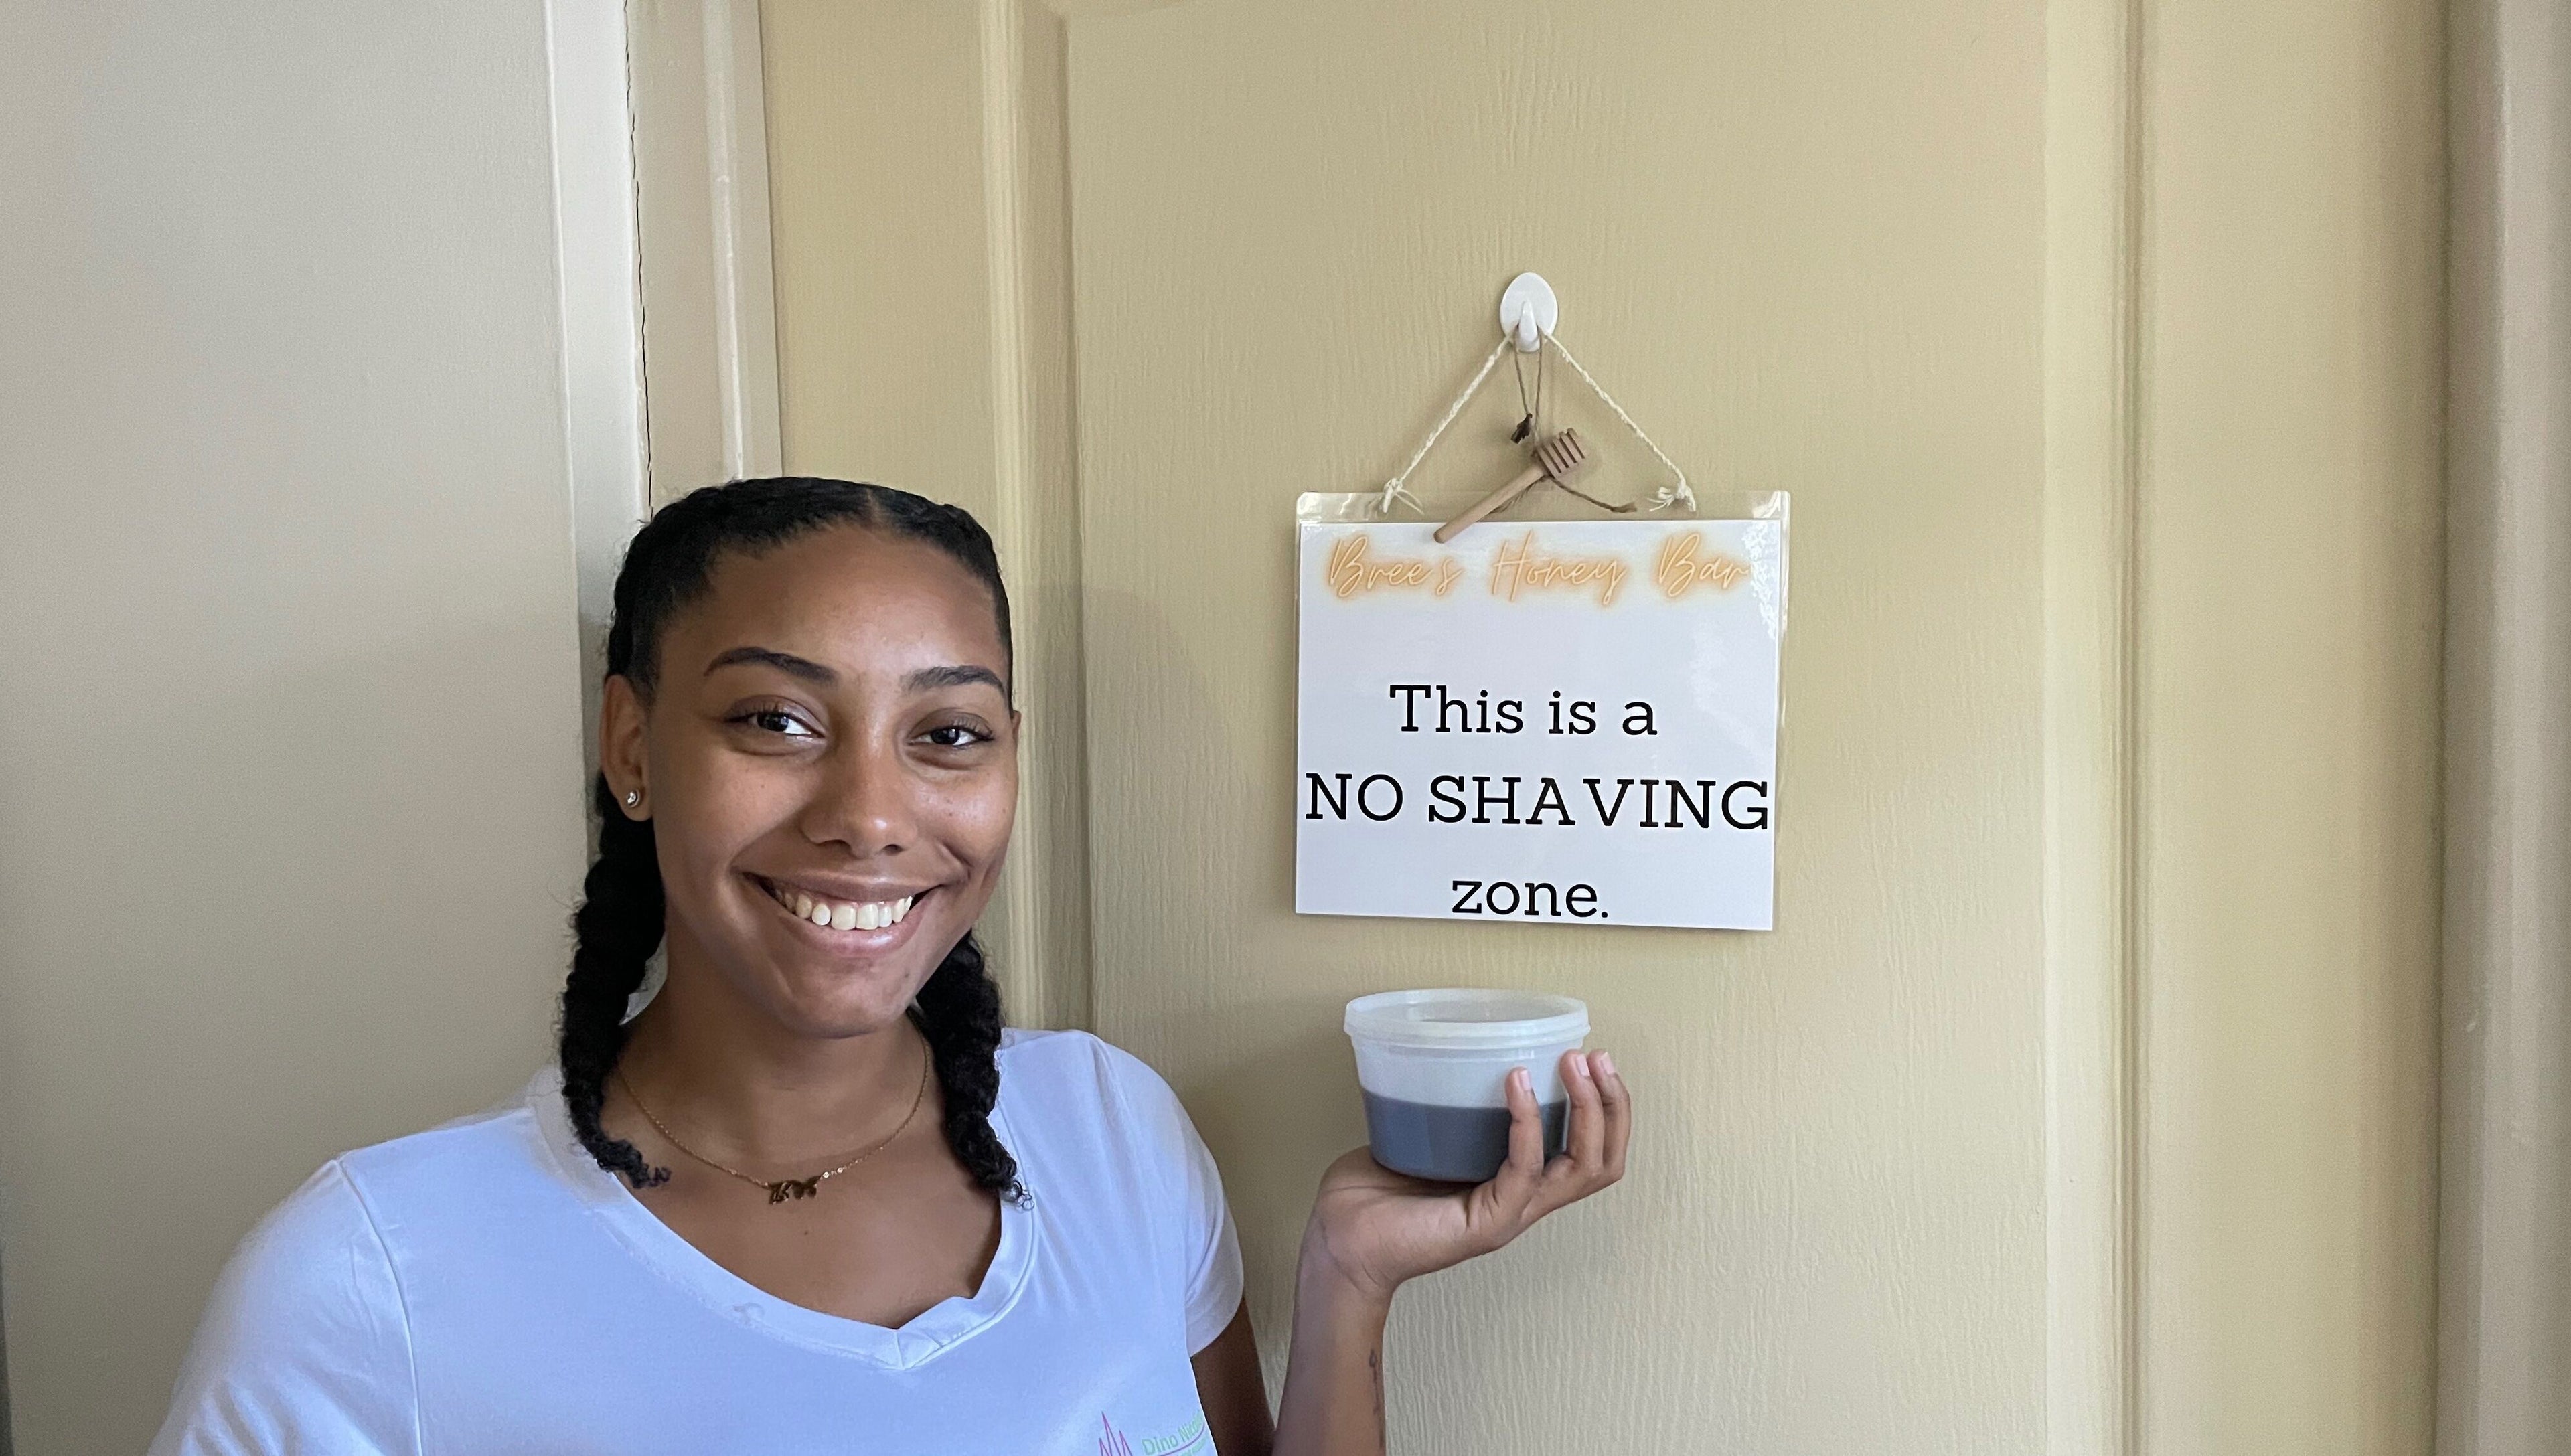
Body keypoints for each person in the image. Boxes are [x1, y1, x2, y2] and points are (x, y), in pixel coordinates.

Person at [151, 477, 1631, 1455]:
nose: (869, 814)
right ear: (632, 747)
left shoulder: (1110, 1129)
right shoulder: (373, 1282)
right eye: (776, 721)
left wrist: (1349, 1279)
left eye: (948, 733)